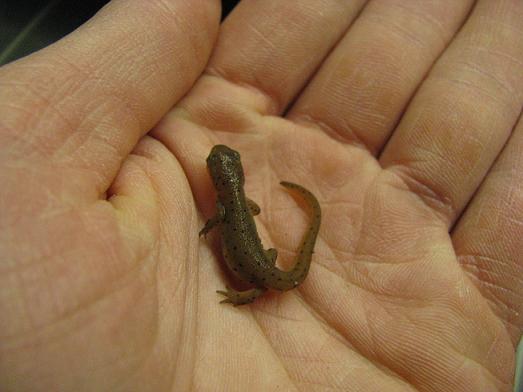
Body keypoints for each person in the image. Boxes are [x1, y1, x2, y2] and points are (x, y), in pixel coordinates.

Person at [0, 1, 521, 390]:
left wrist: (239, 280)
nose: (217, 170)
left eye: (218, 167)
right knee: (264, 258)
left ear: (224, 176)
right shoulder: (237, 201)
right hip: (264, 264)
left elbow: (226, 221)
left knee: (265, 269)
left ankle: (254, 280)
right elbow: (237, 214)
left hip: (263, 276)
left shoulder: (232, 217)